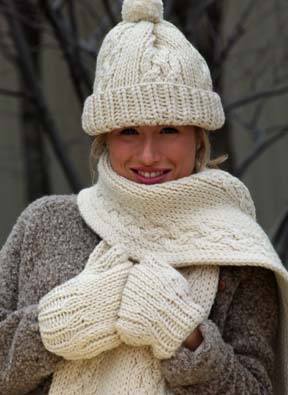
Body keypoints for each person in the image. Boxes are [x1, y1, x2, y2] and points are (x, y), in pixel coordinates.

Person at [0, 0, 288, 394]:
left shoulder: (237, 254)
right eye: (128, 132)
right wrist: (52, 328)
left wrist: (186, 337)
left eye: (169, 129)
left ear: (197, 134)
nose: (149, 155)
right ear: (104, 138)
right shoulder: (45, 225)